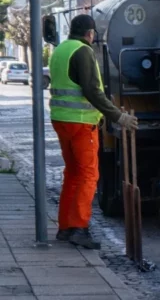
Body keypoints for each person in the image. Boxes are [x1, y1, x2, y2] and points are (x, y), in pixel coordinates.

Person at [50, 14, 138, 249]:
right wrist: (118, 116)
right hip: (81, 123)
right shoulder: (83, 51)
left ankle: (66, 228)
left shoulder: (60, 50)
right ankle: (79, 228)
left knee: (72, 173)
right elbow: (92, 91)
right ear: (90, 34)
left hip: (61, 120)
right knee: (88, 176)